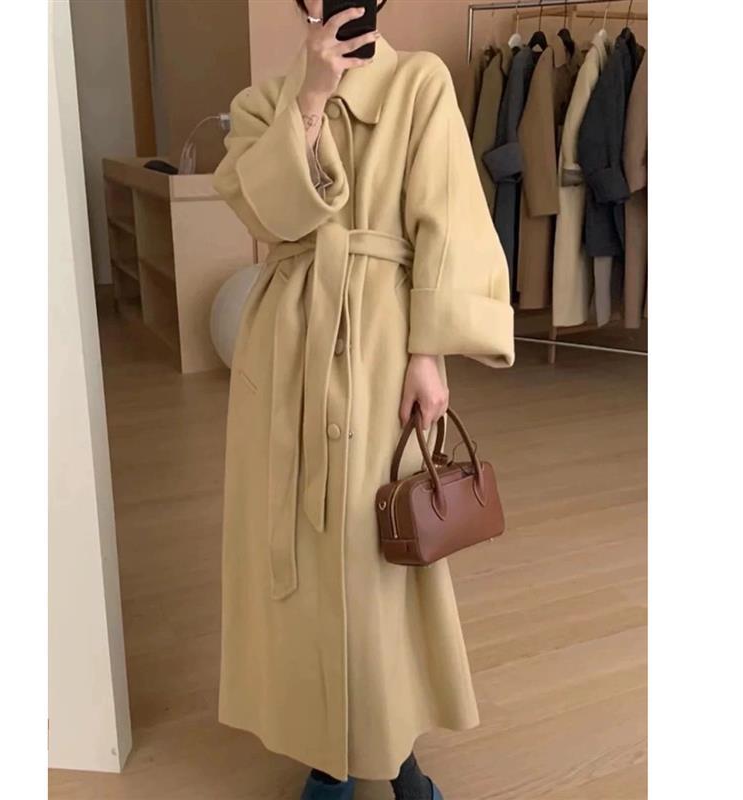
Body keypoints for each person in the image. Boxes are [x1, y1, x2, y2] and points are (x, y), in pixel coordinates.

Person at [211, 2, 515, 798]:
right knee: (300, 552)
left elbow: (448, 220)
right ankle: (332, 753)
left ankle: (389, 753)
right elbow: (269, 216)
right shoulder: (261, 104)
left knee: (375, 549)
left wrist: (428, 352)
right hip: (288, 348)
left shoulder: (421, 83)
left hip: (384, 344)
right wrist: (310, 96)